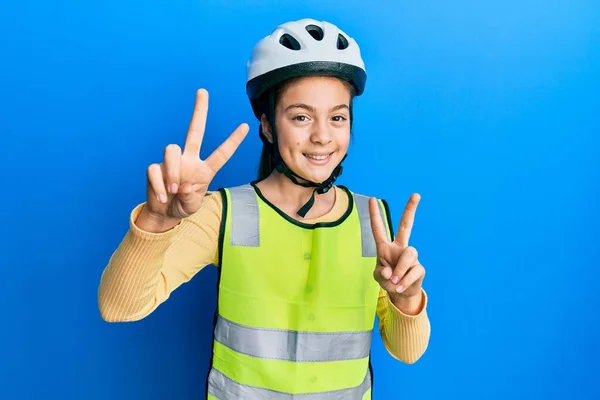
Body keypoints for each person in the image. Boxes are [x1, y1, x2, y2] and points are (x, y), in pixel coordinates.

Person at [98, 18, 431, 399]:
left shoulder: (372, 223)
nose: (322, 135)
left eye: (337, 117)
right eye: (301, 117)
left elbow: (408, 353)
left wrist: (406, 298)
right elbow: (118, 307)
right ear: (268, 126)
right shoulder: (224, 213)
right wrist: (157, 220)